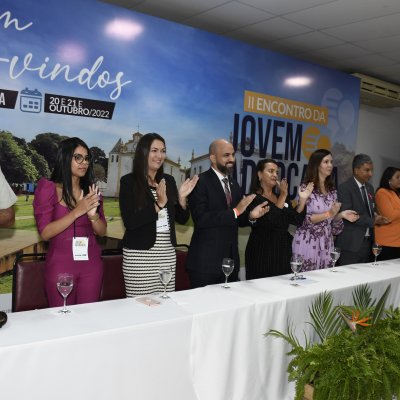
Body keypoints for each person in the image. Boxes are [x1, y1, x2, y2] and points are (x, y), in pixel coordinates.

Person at [119, 133, 198, 297]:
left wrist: (182, 199)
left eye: (163, 151)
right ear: (143, 152)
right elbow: (130, 222)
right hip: (140, 258)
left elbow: (182, 219)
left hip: (166, 256)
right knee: (139, 308)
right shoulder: (129, 182)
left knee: (165, 306)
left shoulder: (168, 181)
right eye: (154, 150)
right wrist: (158, 205)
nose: (159, 155)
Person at [33, 137, 106, 307]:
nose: (84, 163)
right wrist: (77, 211)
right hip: (61, 263)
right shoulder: (49, 188)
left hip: (92, 264)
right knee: (61, 319)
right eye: (78, 157)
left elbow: (102, 231)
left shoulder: (91, 191)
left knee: (88, 319)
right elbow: (45, 233)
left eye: (87, 158)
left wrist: (93, 215)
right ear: (65, 158)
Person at [186, 138, 269, 288]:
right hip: (205, 265)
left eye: (233, 155)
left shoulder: (233, 184)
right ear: (212, 158)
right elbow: (201, 219)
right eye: (226, 155)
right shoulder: (199, 182)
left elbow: (236, 218)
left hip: (230, 262)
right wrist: (236, 211)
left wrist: (251, 216)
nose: (231, 159)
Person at [245, 159, 314, 279]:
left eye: (276, 172)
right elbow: (273, 221)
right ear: (259, 174)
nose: (275, 175)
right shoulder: (253, 198)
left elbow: (296, 219)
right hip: (262, 251)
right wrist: (283, 195)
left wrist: (302, 200)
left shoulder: (280, 197)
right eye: (271, 171)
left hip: (282, 251)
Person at [292, 149, 358, 271]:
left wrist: (341, 215)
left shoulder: (332, 191)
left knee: (324, 285)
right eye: (326, 162)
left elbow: (332, 223)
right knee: (306, 283)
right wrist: (330, 213)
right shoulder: (306, 188)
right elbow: (305, 220)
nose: (330, 165)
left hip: (326, 243)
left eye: (331, 162)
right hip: (308, 242)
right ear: (316, 165)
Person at [336, 154, 390, 265]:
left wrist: (377, 216)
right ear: (356, 170)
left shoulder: (370, 188)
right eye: (367, 170)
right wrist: (374, 221)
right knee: (348, 280)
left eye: (371, 170)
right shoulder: (344, 188)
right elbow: (351, 216)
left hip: (367, 243)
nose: (371, 174)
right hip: (350, 245)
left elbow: (370, 210)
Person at [374, 167, 400, 260]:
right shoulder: (382, 193)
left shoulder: (397, 194)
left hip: (397, 241)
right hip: (386, 242)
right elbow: (390, 215)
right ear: (389, 179)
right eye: (398, 177)